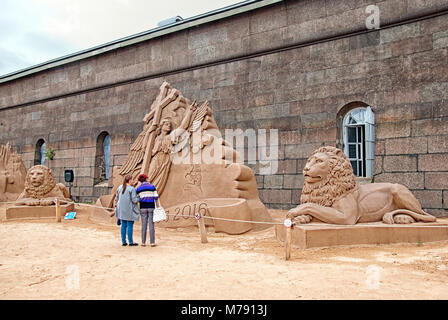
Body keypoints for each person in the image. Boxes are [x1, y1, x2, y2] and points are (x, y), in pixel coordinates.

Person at [115, 174, 140, 246]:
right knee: (129, 225)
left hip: (121, 209)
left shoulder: (120, 187)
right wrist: (139, 198)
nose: (133, 181)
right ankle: (131, 242)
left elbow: (117, 198)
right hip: (129, 209)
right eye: (132, 179)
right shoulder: (131, 189)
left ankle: (123, 242)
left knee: (123, 225)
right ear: (129, 180)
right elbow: (134, 200)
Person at [136, 173, 159, 247]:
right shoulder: (152, 187)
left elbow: (137, 198)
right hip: (151, 207)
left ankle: (143, 242)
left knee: (144, 225)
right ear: (146, 179)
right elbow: (156, 197)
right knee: (151, 225)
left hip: (143, 207)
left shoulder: (138, 188)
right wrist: (158, 207)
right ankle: (152, 242)